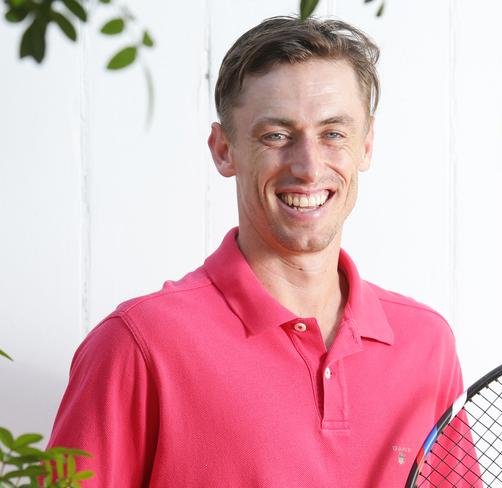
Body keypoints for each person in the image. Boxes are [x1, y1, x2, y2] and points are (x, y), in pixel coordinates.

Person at [48, 16, 468, 487]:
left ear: (365, 145)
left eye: (334, 133)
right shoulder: (136, 345)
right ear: (224, 149)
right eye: (276, 135)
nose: (309, 167)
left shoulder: (427, 345)